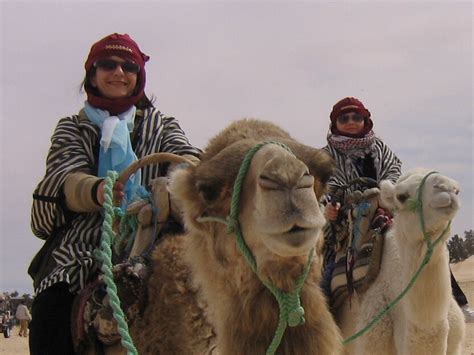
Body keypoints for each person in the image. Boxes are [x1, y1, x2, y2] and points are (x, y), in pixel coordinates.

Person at [28, 33, 201, 354]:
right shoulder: (73, 127)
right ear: (92, 74)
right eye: (108, 64)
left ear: (139, 76)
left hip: (155, 238)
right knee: (52, 315)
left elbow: (188, 159)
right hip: (83, 247)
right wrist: (97, 190)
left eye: (128, 66)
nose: (119, 73)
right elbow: (64, 175)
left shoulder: (162, 125)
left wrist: (178, 183)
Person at [322, 96, 474, 323]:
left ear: (365, 120)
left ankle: (460, 303)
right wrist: (329, 208)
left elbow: (394, 174)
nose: (351, 121)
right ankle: (324, 324)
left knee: (427, 249)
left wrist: (385, 194)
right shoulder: (324, 157)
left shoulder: (380, 149)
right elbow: (322, 188)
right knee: (327, 274)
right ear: (335, 123)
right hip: (346, 222)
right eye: (344, 118)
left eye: (357, 117)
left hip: (385, 212)